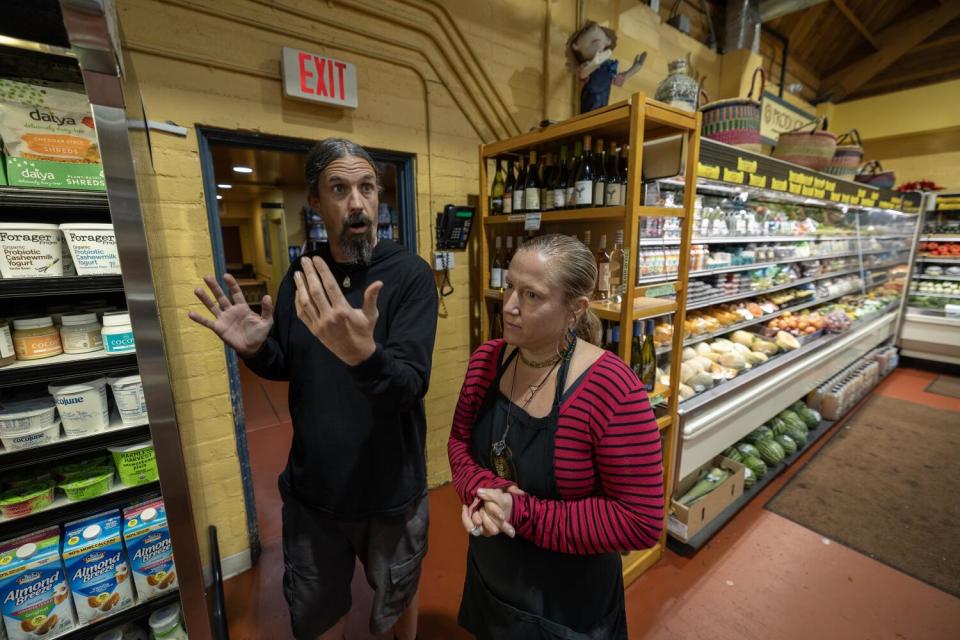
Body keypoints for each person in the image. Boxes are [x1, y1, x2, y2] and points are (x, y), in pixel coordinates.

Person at [189, 138, 438, 640]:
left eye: (367, 187)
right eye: (339, 189)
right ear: (316, 203)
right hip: (315, 491)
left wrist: (364, 356)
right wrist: (256, 349)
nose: (357, 203)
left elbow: (409, 386)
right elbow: (289, 366)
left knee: (399, 595)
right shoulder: (302, 276)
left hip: (391, 488)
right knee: (317, 612)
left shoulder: (409, 276)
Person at [448, 233, 664, 639]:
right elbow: (459, 443)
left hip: (568, 603)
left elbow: (640, 520)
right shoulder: (486, 362)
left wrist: (519, 512)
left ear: (574, 310)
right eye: (510, 286)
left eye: (531, 296)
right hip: (494, 575)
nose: (509, 306)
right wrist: (483, 492)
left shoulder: (613, 390)